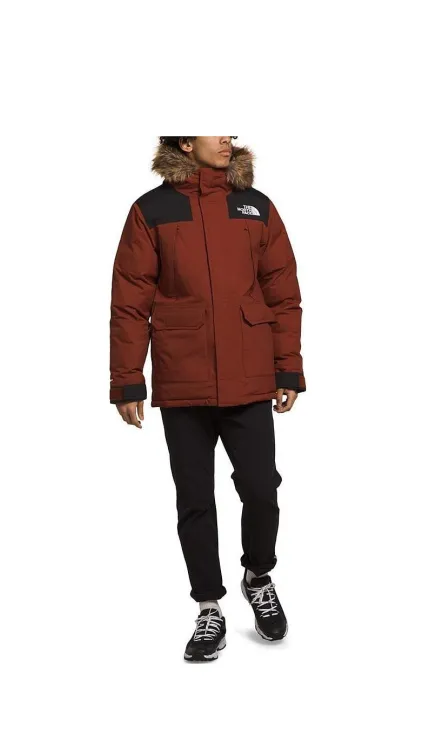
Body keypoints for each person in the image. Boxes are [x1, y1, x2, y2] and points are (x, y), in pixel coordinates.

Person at [109, 136, 306, 662]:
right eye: (214, 127)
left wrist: (287, 366)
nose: (227, 139)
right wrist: (127, 379)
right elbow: (129, 301)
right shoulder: (151, 211)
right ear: (184, 140)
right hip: (184, 378)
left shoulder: (255, 207)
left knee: (261, 489)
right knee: (195, 499)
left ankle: (257, 575)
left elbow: (282, 291)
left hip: (249, 377)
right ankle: (208, 606)